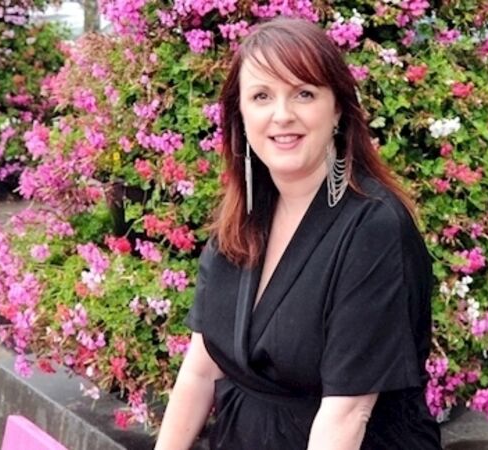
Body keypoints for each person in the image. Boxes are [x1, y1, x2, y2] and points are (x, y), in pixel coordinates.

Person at [155, 18, 442, 450]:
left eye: (304, 93)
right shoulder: (244, 214)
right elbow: (200, 369)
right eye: (261, 96)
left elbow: (347, 414)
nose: (282, 115)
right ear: (240, 115)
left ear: (338, 108)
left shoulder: (372, 228)